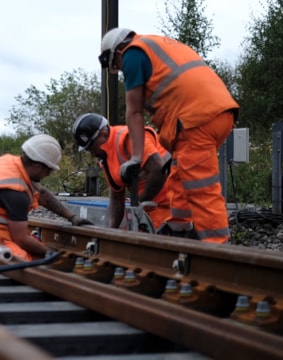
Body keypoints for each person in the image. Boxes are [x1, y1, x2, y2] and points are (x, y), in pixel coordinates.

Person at [98, 28, 239, 244]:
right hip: (218, 113)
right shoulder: (156, 44)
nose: (121, 69)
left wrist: (136, 158)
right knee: (179, 176)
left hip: (194, 120)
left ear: (116, 52)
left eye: (116, 66)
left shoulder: (132, 53)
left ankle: (219, 250)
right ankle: (179, 230)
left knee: (202, 189)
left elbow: (133, 111)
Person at [0, 134, 93, 261]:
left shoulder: (10, 162)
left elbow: (43, 195)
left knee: (36, 255)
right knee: (22, 260)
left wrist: (72, 217)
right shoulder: (15, 192)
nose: (48, 174)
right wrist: (49, 252)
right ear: (37, 166)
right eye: (49, 170)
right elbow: (20, 239)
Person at [73, 113, 171, 231]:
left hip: (171, 204)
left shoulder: (129, 138)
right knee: (125, 241)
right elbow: (117, 197)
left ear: (104, 134)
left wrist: (138, 205)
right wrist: (111, 232)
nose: (93, 154)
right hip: (147, 209)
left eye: (93, 148)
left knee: (139, 245)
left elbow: (158, 170)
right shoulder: (106, 157)